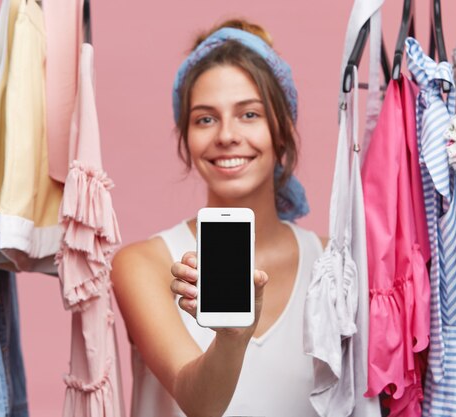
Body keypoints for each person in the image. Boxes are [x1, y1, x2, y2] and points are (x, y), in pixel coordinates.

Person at [112, 19, 326, 417]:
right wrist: (232, 338)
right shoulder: (144, 265)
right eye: (205, 119)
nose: (226, 135)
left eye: (249, 114)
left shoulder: (332, 263)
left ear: (281, 128)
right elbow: (200, 404)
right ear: (186, 136)